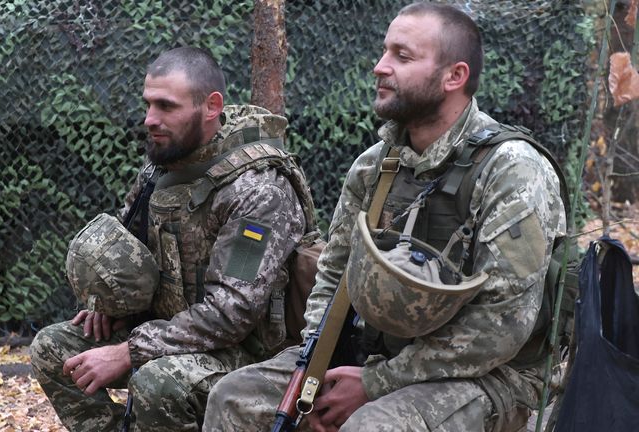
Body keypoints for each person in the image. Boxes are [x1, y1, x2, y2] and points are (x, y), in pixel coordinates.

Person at [204, 3, 566, 432]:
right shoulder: (375, 166)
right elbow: (334, 273)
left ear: (455, 76)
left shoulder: (512, 170)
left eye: (402, 56)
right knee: (235, 397)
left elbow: (503, 326)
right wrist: (313, 366)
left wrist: (377, 383)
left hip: (491, 376)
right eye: (383, 52)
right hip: (374, 355)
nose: (380, 67)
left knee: (373, 427)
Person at [30, 46, 309, 432]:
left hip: (248, 354)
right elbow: (131, 252)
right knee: (52, 348)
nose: (150, 119)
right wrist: (111, 305)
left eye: (166, 106)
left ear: (211, 107)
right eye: (148, 104)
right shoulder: (161, 167)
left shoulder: (258, 191)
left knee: (157, 382)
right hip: (169, 334)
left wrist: (129, 351)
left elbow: (233, 312)